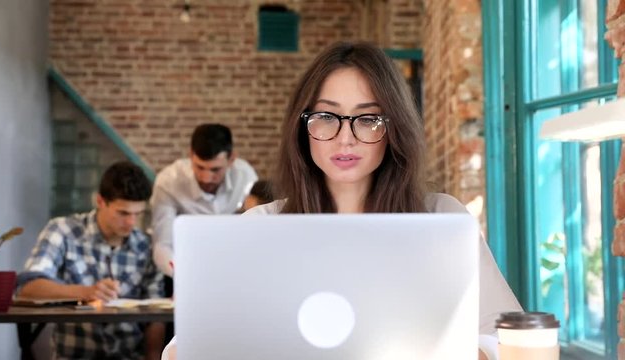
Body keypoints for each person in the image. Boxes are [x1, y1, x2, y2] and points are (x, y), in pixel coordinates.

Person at [162, 41, 521, 360]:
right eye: (326, 116)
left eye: (367, 119)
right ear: (303, 128)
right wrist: (201, 315)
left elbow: (510, 335)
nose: (345, 138)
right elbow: (179, 350)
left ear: (393, 128)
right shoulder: (259, 227)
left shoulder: (442, 218)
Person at [17, 161, 165, 360]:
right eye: (123, 213)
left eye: (138, 214)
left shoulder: (146, 245)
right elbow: (28, 286)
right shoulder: (63, 231)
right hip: (76, 355)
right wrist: (85, 292)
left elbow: (156, 316)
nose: (131, 222)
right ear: (100, 201)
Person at [150, 123, 258, 277]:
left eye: (215, 169)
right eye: (200, 167)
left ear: (232, 159)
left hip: (235, 267)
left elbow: (254, 233)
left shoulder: (245, 177)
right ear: (190, 156)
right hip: (183, 268)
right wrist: (184, 276)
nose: (206, 178)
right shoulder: (168, 182)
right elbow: (163, 244)